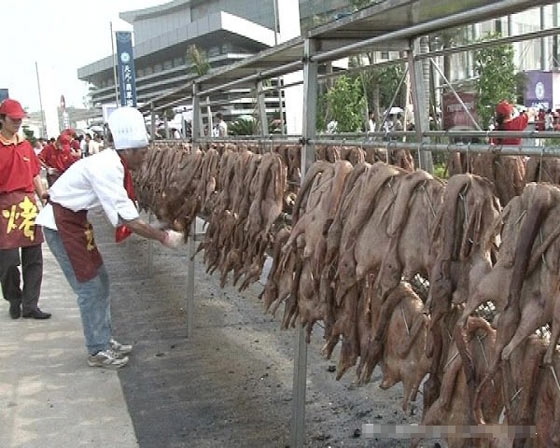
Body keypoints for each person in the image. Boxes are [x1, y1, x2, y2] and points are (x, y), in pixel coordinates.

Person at [36, 106, 183, 369]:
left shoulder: (113, 163)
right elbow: (129, 220)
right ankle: (97, 349)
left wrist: (157, 226)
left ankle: (103, 338)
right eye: (143, 153)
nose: (145, 159)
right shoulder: (107, 168)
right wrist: (163, 237)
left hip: (76, 223)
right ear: (129, 151)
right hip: (61, 226)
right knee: (89, 287)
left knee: (101, 280)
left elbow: (127, 210)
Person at [0, 98, 51, 320]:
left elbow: (34, 175)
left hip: (28, 205)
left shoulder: (25, 145)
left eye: (20, 119)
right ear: (2, 119)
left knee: (34, 259)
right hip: (4, 207)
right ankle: (14, 298)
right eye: (13, 119)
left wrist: (43, 197)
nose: (18, 122)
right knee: (8, 262)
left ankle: (31, 305)